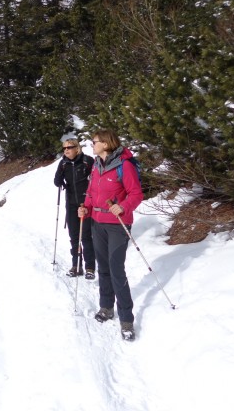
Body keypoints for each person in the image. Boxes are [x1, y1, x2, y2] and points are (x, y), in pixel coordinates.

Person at [79, 129, 143, 341]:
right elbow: (91, 192)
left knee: (116, 269)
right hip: (97, 223)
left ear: (105, 144)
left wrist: (123, 207)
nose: (92, 145)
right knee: (103, 268)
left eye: (94, 142)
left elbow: (136, 193)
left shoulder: (124, 166)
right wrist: (85, 207)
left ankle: (126, 319)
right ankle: (106, 307)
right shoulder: (97, 166)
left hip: (117, 224)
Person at [54, 138, 96, 280]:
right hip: (71, 204)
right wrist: (61, 172)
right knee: (74, 236)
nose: (66, 150)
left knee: (85, 236)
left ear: (77, 148)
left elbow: (97, 178)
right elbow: (56, 182)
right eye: (64, 148)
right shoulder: (64, 163)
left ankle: (90, 267)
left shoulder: (87, 161)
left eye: (69, 147)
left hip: (86, 204)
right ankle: (76, 266)